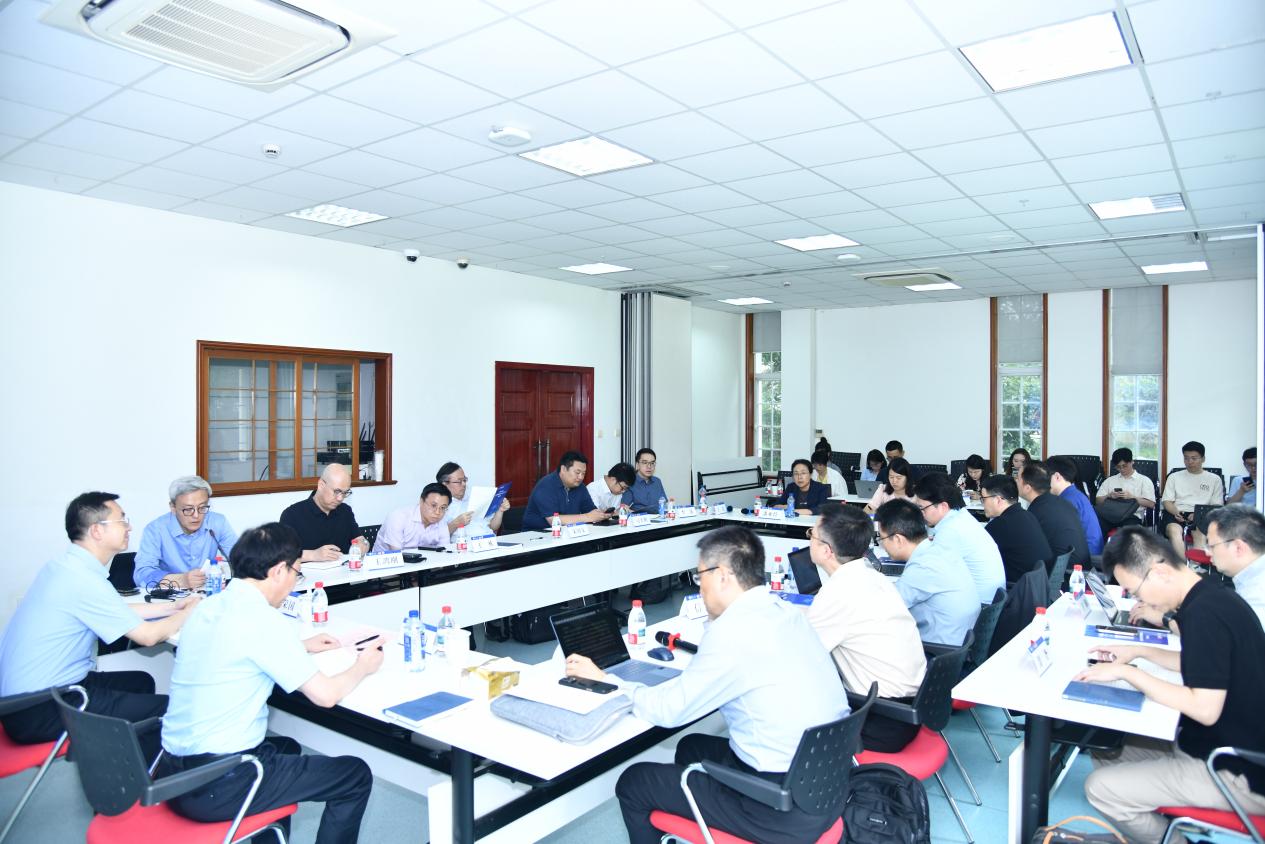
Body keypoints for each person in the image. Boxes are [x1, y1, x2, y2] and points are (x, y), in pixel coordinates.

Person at [565, 526, 849, 844]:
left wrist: (609, 682)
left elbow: (670, 711)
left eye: (700, 577)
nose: (699, 587)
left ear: (723, 576)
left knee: (634, 782)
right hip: (826, 786)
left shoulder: (733, 632)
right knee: (691, 747)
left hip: (776, 808)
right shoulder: (786, 612)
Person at [158, 523, 383, 843]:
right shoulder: (264, 621)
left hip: (171, 775)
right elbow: (326, 695)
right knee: (354, 775)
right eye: (296, 573)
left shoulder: (209, 605)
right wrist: (363, 666)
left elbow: (235, 647)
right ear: (278, 571)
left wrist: (300, 646)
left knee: (286, 748)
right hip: (219, 785)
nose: (294, 582)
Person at [1076, 527, 1265, 843]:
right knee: (1106, 748)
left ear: (1160, 573)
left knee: (1100, 788)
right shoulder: (1211, 595)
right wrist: (1137, 652)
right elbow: (1204, 664)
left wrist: (1129, 674)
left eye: (1135, 591)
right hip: (1216, 745)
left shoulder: (1205, 615)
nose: (1138, 601)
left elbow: (1204, 708)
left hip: (1237, 771)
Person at [0, 492, 199, 754]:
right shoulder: (83, 580)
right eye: (122, 520)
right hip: (39, 707)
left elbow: (113, 609)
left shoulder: (66, 567)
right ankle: (142, 773)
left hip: (24, 701)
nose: (129, 527)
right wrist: (190, 612)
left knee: (140, 683)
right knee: (167, 709)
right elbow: (148, 637)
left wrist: (172, 606)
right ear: (96, 531)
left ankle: (129, 757)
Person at [806, 503, 926, 752]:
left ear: (827, 551)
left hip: (882, 720)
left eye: (811, 535)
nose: (809, 540)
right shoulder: (872, 576)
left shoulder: (838, 593)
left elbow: (799, 655)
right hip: (912, 708)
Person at [875, 499, 979, 645]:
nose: (882, 544)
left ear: (898, 539)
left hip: (936, 649)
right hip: (955, 640)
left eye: (881, 538)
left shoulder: (923, 566)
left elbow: (884, 607)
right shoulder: (938, 550)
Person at [913, 472, 1005, 604]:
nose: (920, 514)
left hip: (979, 605)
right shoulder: (960, 516)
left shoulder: (951, 530)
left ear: (943, 506)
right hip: (987, 601)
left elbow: (930, 577)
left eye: (922, 508)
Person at [133, 475, 238, 590]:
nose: (196, 515)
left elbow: (241, 559)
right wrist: (181, 580)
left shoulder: (217, 522)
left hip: (207, 593)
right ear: (173, 507)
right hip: (171, 595)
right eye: (188, 509)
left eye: (202, 507)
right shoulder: (155, 530)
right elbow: (141, 575)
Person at [280, 464, 367, 562]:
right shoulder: (292, 515)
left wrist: (362, 545)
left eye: (345, 493)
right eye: (337, 491)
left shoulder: (345, 511)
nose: (340, 498)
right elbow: (283, 555)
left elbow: (361, 540)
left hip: (344, 570)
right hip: (308, 571)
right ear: (321, 485)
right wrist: (313, 555)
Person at [1019, 461, 1090, 572]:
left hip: (1065, 576)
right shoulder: (1062, 502)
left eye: (1017, 478)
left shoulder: (1036, 512)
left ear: (1027, 487)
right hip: (1081, 571)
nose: (1015, 481)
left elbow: (1028, 552)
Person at [981, 474, 1053, 583]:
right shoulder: (1027, 515)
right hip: (1038, 584)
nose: (983, 504)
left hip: (1017, 588)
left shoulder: (1000, 525)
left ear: (998, 500)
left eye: (984, 499)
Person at [1204, 505, 1265, 628]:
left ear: (1238, 548)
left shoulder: (1257, 597)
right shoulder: (1251, 580)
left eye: (1211, 546)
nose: (1207, 553)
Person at [1160, 441, 1225, 554]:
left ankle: (1195, 563)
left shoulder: (1214, 479)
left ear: (1203, 459)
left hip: (1202, 514)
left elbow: (1216, 506)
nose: (1189, 462)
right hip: (1176, 513)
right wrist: (1177, 512)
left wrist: (1198, 514)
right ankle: (1182, 564)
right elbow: (1167, 501)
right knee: (1174, 532)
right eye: (1186, 458)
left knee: (1200, 534)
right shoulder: (1174, 477)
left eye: (1194, 458)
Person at [522, 451, 606, 530]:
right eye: (577, 472)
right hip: (537, 534)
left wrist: (602, 515)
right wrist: (588, 517)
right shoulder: (546, 486)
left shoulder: (580, 486)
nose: (581, 477)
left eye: (583, 473)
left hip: (567, 532)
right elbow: (553, 520)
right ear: (563, 469)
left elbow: (590, 510)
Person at [1047, 456, 1105, 555]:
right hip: (1090, 550)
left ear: (1057, 477)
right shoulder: (1074, 494)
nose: (1043, 482)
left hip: (1087, 555)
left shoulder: (1068, 500)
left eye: (1046, 477)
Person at [435, 462, 511, 535]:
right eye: (459, 481)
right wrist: (456, 523)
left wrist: (500, 511)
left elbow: (493, 527)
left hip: (489, 540)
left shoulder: (474, 498)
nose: (464, 484)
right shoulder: (439, 506)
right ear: (445, 484)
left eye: (464, 480)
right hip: (464, 542)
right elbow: (436, 536)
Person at [373, 483, 452, 551]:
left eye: (443, 508)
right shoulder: (398, 517)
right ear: (421, 501)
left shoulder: (441, 522)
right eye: (433, 505)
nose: (437, 512)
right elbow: (396, 554)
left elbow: (444, 552)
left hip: (423, 562)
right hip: (387, 562)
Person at [1095, 448, 1157, 528]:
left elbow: (1151, 504)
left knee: (1129, 530)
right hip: (1109, 515)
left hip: (1132, 516)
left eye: (1124, 466)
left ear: (1132, 462)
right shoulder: (1110, 480)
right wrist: (1109, 496)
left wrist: (1133, 497)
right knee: (1095, 525)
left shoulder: (1144, 480)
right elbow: (1098, 501)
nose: (1122, 469)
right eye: (1118, 467)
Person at [623, 448, 668, 513]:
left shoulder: (657, 481)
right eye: (644, 463)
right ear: (637, 465)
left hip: (659, 517)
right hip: (638, 518)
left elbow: (663, 503)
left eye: (652, 463)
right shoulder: (630, 482)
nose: (649, 466)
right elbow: (624, 508)